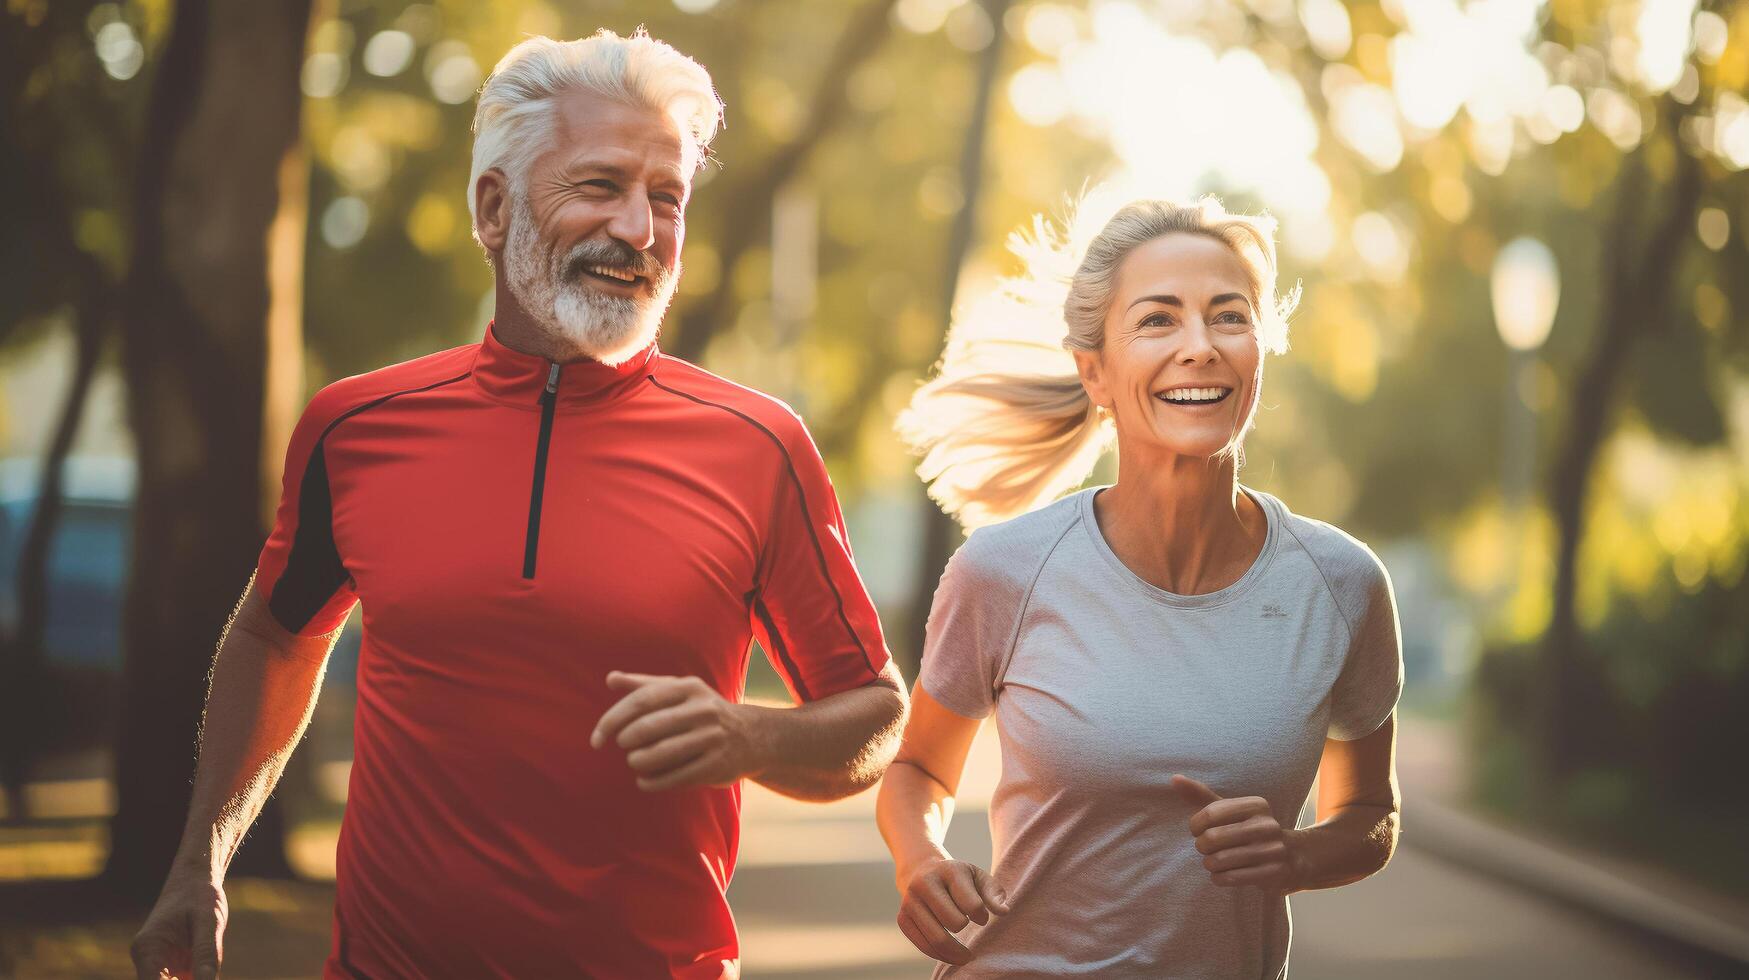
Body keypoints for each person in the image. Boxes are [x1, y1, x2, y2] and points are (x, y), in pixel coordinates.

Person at [130, 29, 907, 980]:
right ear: (493, 209)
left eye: (667, 198)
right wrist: (202, 862)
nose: (640, 229)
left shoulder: (759, 446)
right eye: (600, 186)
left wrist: (751, 735)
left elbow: (874, 714)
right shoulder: (356, 427)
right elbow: (275, 637)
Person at [876, 196, 1403, 977]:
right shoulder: (1005, 571)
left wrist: (1293, 856)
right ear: (1095, 371)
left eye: (1228, 317)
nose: (1200, 347)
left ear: (1259, 351)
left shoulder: (1339, 586)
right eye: (1158, 320)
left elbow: (1369, 815)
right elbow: (918, 768)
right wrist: (919, 860)